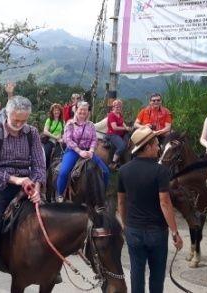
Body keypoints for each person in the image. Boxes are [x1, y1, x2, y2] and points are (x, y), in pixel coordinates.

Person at [0, 96, 45, 293]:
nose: (20, 125)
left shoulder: (32, 133)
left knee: (46, 222)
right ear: (7, 114)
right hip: (0, 186)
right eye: (16, 120)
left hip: (28, 185)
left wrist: (37, 187)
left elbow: (39, 165)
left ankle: (47, 269)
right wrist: (16, 180)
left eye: (24, 120)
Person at [117, 126, 183, 293]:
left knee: (136, 273)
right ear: (146, 148)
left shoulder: (123, 170)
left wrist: (125, 225)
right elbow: (165, 203)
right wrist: (175, 232)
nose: (158, 147)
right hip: (157, 231)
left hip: (133, 229)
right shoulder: (161, 171)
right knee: (157, 275)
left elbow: (121, 202)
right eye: (155, 145)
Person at [55, 101, 109, 202]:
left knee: (105, 171)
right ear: (76, 110)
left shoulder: (91, 125)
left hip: (89, 152)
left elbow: (94, 139)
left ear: (88, 112)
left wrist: (92, 151)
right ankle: (60, 193)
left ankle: (102, 196)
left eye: (85, 110)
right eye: (81, 110)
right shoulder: (70, 124)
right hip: (73, 151)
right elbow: (68, 139)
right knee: (64, 172)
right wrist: (79, 151)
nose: (83, 112)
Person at [106, 99, 132, 170]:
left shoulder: (119, 114)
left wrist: (126, 127)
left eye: (120, 107)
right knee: (122, 146)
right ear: (113, 107)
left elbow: (122, 122)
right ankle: (113, 163)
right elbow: (114, 127)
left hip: (121, 134)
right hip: (112, 134)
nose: (118, 108)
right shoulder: (111, 115)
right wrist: (125, 129)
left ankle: (124, 162)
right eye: (116, 106)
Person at [42, 103, 64, 169]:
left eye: (58, 110)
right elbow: (45, 131)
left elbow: (64, 131)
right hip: (50, 141)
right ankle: (44, 170)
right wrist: (55, 137)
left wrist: (61, 138)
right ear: (52, 112)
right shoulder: (49, 120)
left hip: (59, 142)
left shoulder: (62, 121)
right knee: (46, 155)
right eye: (55, 110)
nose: (56, 112)